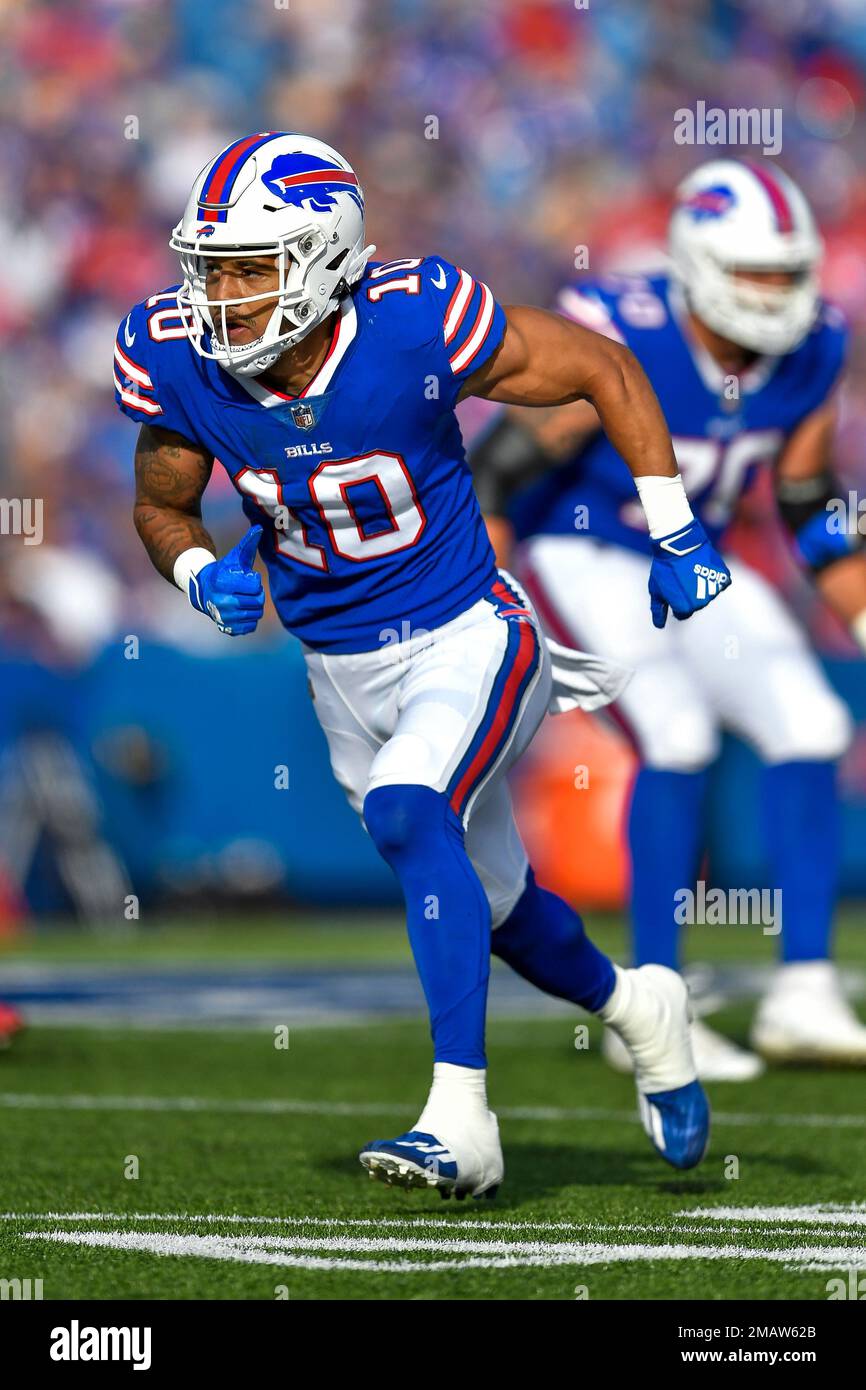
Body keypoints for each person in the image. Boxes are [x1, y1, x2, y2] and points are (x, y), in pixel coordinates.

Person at [114, 132, 732, 1196]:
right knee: (493, 907)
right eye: (211, 267)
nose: (222, 293)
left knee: (408, 809)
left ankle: (461, 1121)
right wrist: (194, 573)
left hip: (467, 627)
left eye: (252, 267)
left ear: (326, 255)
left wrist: (675, 530)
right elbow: (165, 505)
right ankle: (639, 1006)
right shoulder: (173, 353)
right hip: (335, 665)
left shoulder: (413, 319)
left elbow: (601, 368)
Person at [472, 159, 866, 1081]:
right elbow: (497, 477)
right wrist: (474, 613)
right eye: (754, 275)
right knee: (677, 734)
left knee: (813, 724)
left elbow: (809, 498)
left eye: (786, 274)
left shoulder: (814, 345)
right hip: (585, 550)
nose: (776, 296)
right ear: (696, 266)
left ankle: (803, 989)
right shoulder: (627, 335)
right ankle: (656, 1002)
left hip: (698, 560)